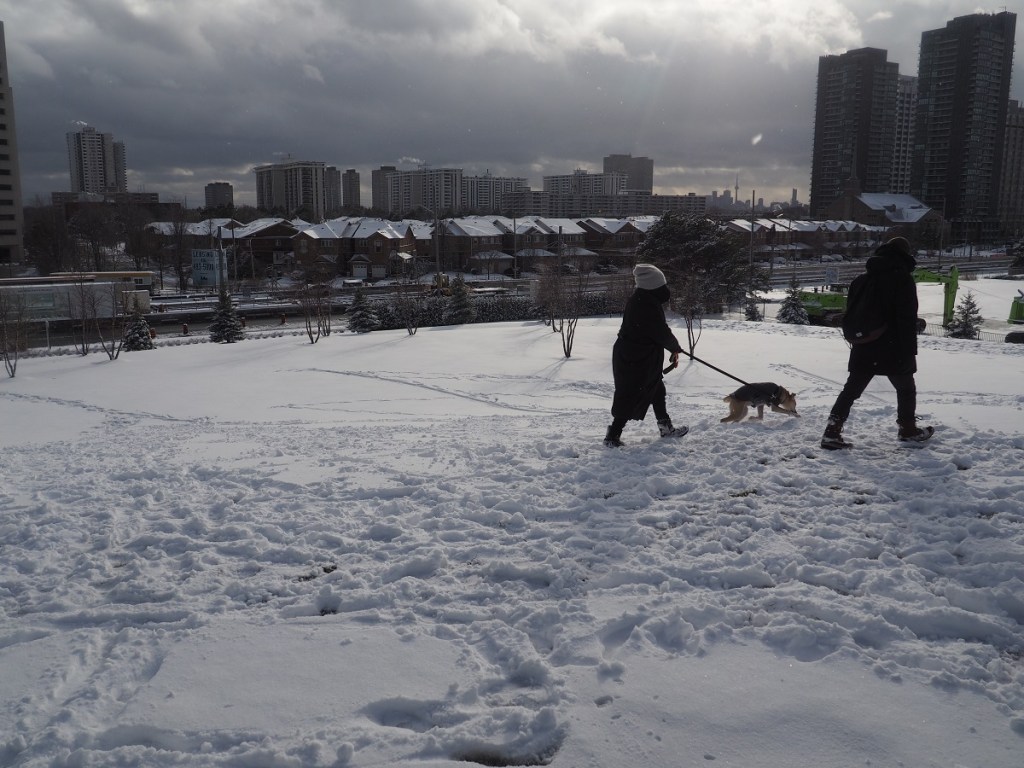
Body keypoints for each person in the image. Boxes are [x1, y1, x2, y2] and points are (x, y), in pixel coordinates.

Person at [820, 236, 934, 450]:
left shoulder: (861, 280)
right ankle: (908, 430)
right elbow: (906, 317)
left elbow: (853, 313)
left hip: (864, 343)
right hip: (894, 346)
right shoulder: (902, 280)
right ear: (905, 255)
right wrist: (910, 350)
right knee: (906, 389)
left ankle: (832, 432)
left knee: (851, 390)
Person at [605, 264, 689, 447]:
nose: (665, 290)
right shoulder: (644, 304)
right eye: (662, 286)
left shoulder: (644, 299)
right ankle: (612, 437)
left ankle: (666, 428)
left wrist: (673, 347)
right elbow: (659, 331)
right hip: (634, 358)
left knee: (656, 389)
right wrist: (675, 347)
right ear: (653, 287)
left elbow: (657, 331)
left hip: (640, 355)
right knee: (629, 394)